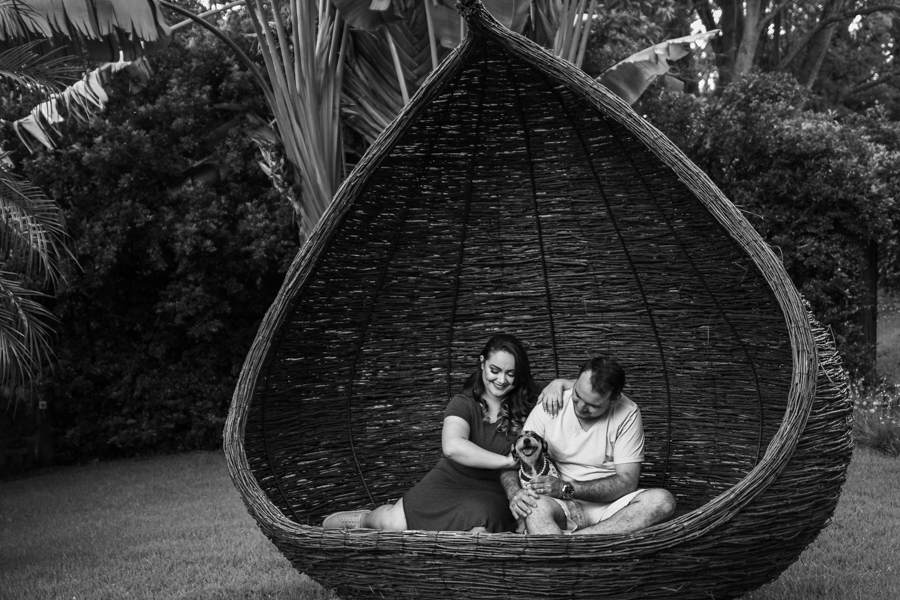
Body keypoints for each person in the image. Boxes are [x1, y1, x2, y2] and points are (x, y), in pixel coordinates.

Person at [322, 333, 538, 532]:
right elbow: (452, 447)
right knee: (392, 523)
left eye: (510, 374)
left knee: (482, 518)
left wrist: (558, 384)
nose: (501, 380)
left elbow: (572, 392)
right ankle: (364, 520)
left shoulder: (529, 400)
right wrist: (506, 461)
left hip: (496, 490)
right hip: (450, 480)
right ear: (482, 363)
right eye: (495, 370)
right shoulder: (463, 403)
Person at [502, 355, 676, 535]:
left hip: (612, 508)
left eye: (592, 405)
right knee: (533, 507)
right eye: (577, 395)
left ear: (614, 400)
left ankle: (575, 542)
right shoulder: (551, 404)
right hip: (561, 506)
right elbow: (509, 464)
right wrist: (515, 493)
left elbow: (627, 482)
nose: (580, 407)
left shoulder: (628, 413)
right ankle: (582, 545)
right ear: (575, 381)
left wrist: (565, 488)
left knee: (663, 501)